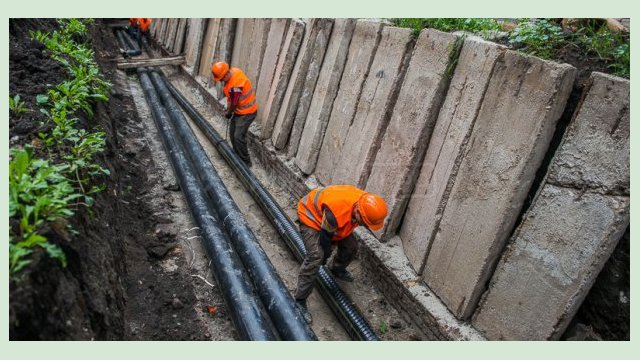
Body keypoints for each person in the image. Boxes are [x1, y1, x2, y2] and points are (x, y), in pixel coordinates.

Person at [293, 184, 388, 324]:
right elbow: (326, 238)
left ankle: (336, 268)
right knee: (316, 257)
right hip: (311, 217)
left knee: (351, 247)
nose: (365, 226)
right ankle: (299, 300)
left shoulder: (365, 203)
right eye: (365, 222)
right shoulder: (335, 213)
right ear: (357, 211)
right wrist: (324, 256)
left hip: (334, 221)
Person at [211, 61, 257, 167]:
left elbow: (234, 103)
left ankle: (246, 162)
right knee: (232, 134)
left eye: (221, 78)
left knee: (238, 137)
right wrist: (229, 109)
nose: (221, 81)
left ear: (226, 74)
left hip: (247, 112)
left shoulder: (235, 84)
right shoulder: (234, 72)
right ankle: (236, 156)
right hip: (239, 111)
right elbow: (231, 99)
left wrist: (228, 113)